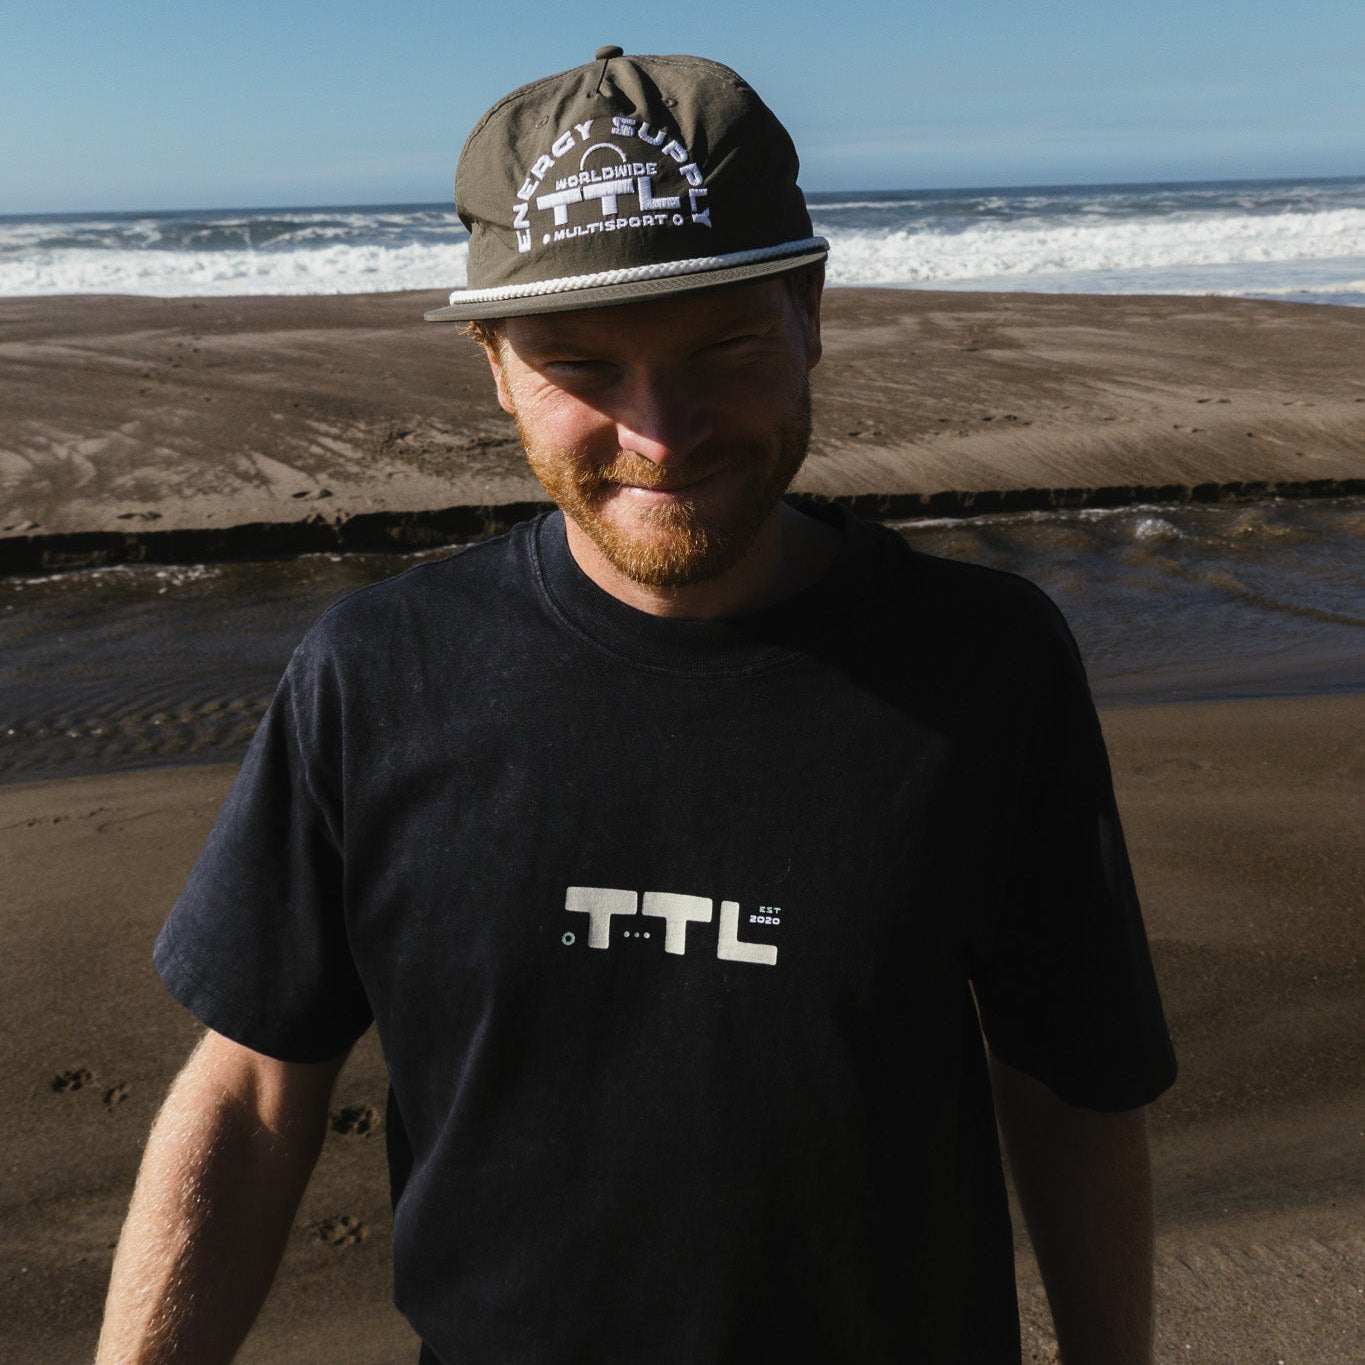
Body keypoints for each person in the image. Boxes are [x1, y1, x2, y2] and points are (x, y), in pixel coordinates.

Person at [97, 47, 1176, 1365]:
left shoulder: (986, 668)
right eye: (582, 365)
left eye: (719, 344)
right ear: (494, 362)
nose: (657, 430)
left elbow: (1067, 1084)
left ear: (808, 310)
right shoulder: (378, 674)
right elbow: (254, 1090)